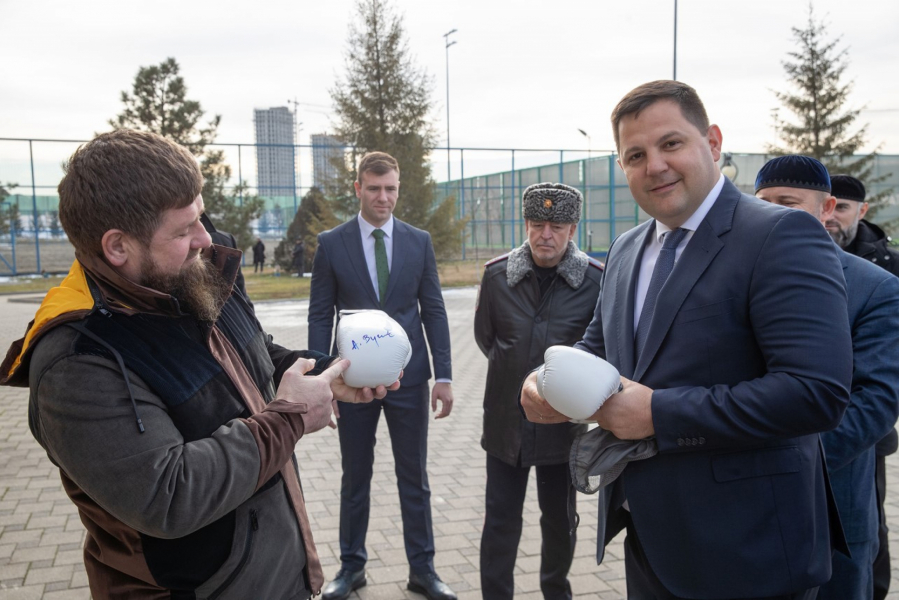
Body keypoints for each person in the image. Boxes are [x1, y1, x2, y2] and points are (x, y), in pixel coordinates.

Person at [0, 129, 396, 600]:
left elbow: (251, 355)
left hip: (275, 576)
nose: (205, 239)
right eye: (183, 230)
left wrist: (330, 374)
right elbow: (168, 496)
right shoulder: (77, 360)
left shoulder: (192, 269)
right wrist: (287, 418)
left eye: (200, 217)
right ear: (118, 247)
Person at [520, 80, 852, 599]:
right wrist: (544, 380)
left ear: (713, 143)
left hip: (749, 551)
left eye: (670, 144)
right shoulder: (627, 249)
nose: (654, 165)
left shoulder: (781, 234)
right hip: (649, 540)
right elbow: (599, 346)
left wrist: (658, 414)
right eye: (635, 154)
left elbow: (815, 392)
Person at [308, 151, 456, 600]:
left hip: (408, 381)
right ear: (358, 189)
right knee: (355, 476)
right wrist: (321, 380)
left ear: (398, 188)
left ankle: (423, 571)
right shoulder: (332, 244)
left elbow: (433, 308)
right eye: (374, 188)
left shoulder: (418, 241)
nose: (383, 197)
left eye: (390, 188)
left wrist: (444, 375)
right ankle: (351, 568)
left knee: (415, 477)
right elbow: (319, 314)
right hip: (352, 384)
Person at [756, 159, 899, 599]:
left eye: (789, 203)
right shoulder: (743, 277)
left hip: (836, 506)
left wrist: (792, 462)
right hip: (750, 512)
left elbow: (875, 401)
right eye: (764, 205)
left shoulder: (875, 288)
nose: (775, 214)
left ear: (827, 207)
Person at [475, 182, 602, 600]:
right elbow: (486, 338)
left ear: (572, 229)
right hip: (505, 425)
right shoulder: (496, 276)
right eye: (537, 224)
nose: (545, 234)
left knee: (560, 520)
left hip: (561, 426)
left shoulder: (594, 283)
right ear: (526, 224)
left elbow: (598, 349)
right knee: (500, 522)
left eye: (556, 225)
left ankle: (556, 592)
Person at [826, 174, 899, 600]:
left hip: (862, 438)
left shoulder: (885, 269)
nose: (832, 220)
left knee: (865, 529)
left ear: (860, 211)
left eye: (842, 211)